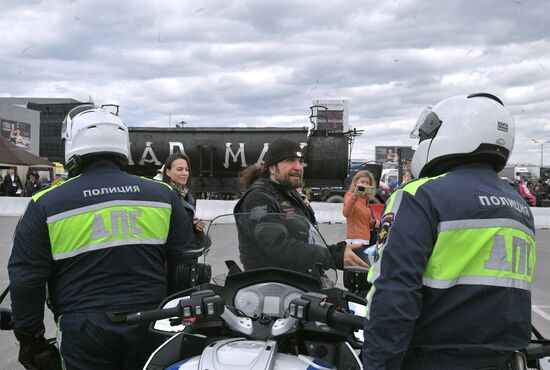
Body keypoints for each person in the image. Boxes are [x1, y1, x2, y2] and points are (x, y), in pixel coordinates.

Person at [8, 105, 196, 370]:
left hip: (83, 329)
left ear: (73, 146)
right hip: (153, 320)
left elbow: (27, 277)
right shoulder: (163, 195)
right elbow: (186, 265)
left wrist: (30, 338)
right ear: (123, 146)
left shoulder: (46, 203)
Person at [363, 93, 536, 370]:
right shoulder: (518, 206)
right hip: (505, 360)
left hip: (434, 360)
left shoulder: (420, 195)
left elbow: (394, 293)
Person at [234, 137, 369, 275]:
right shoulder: (259, 198)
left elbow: (306, 240)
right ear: (272, 168)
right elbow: (278, 247)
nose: (298, 167)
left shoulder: (291, 195)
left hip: (299, 282)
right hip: (272, 287)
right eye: (290, 160)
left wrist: (339, 250)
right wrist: (332, 255)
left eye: (300, 161)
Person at [162, 153, 207, 250]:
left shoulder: (188, 196)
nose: (185, 173)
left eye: (186, 169)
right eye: (179, 169)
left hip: (186, 250)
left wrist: (195, 225)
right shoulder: (163, 195)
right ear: (168, 172)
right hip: (172, 251)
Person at [343, 170, 379, 253]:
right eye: (362, 182)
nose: (365, 185)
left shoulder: (365, 200)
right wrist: (355, 195)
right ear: (355, 182)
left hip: (365, 240)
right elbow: (346, 213)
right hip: (355, 240)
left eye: (367, 183)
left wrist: (375, 223)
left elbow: (367, 222)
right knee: (365, 265)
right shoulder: (350, 195)